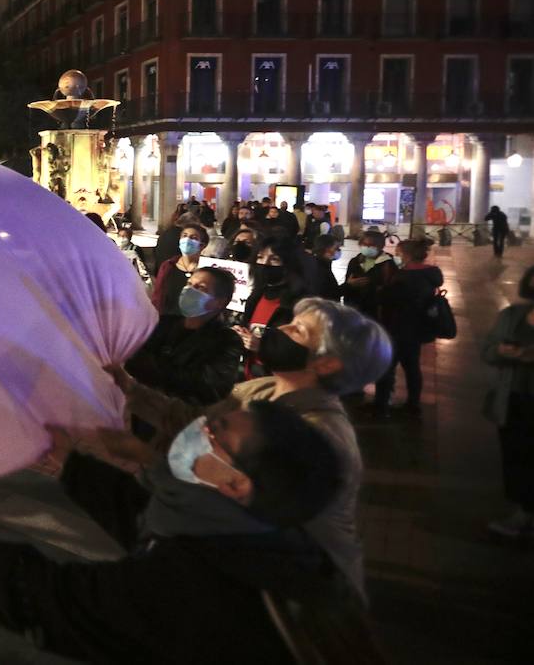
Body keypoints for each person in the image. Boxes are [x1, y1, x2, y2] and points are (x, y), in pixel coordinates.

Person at [0, 401, 375, 665]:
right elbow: (150, 519)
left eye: (217, 432)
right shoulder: (258, 534)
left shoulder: (191, 590)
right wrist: (71, 468)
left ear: (237, 483)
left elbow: (44, 597)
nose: (203, 426)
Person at [113, 297, 391, 599]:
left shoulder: (318, 437)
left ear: (327, 363)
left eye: (297, 330)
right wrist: (131, 389)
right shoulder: (262, 388)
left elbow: (242, 513)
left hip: (288, 585)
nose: (280, 329)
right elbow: (192, 421)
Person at [124, 267, 241, 407]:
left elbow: (208, 387)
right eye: (189, 284)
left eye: (201, 288)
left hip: (181, 418)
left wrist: (151, 367)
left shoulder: (226, 341)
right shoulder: (163, 323)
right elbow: (132, 358)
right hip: (143, 409)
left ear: (220, 302)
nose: (189, 291)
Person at [483, 266, 534, 537]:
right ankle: (522, 512)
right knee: (515, 455)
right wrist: (502, 352)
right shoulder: (512, 316)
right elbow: (487, 351)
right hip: (513, 398)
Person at [373, 239, 443, 418]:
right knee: (412, 368)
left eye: (397, 253)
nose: (396, 256)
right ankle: (413, 404)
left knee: (386, 368)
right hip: (417, 329)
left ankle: (381, 405)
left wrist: (382, 289)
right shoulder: (430, 274)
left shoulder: (405, 277)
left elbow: (387, 299)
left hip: (398, 328)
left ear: (407, 255)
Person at [237, 236, 314, 378]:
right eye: (260, 257)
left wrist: (262, 347)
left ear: (289, 264)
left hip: (282, 382)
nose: (264, 264)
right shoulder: (256, 297)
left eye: (274, 259)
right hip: (251, 377)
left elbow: (303, 352)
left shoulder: (302, 304)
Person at [149, 224, 209, 315]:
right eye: (184, 236)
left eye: (193, 238)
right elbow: (158, 297)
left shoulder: (207, 270)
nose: (187, 240)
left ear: (202, 246)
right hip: (169, 321)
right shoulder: (168, 266)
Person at [341, 230, 394, 320]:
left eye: (371, 245)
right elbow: (347, 283)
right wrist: (350, 285)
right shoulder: (355, 261)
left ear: (380, 246)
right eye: (364, 244)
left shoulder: (388, 264)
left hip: (376, 311)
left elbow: (391, 289)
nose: (367, 247)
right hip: (355, 308)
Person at [310, 234, 344, 302]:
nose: (339, 251)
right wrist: (348, 285)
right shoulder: (320, 269)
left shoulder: (323, 263)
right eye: (336, 248)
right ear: (327, 249)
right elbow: (330, 294)